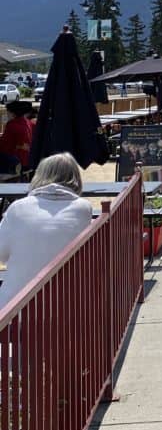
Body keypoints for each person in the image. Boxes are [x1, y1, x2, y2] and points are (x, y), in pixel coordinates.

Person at [0, 153, 93, 307]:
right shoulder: (83, 209)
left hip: (15, 308)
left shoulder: (17, 208)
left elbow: (2, 254)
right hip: (69, 307)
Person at [0, 100, 34, 175]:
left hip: (17, 161)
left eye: (7, 112)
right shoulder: (28, 122)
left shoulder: (11, 125)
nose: (6, 114)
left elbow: (5, 146)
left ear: (13, 113)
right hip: (29, 160)